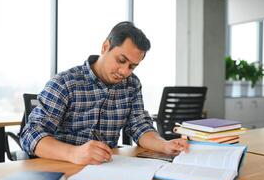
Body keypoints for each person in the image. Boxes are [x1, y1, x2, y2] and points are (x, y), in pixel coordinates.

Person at [20, 21, 189, 165]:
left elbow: (139, 126)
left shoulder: (132, 85)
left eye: (132, 66)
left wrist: (164, 145)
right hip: (63, 167)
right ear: (105, 46)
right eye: (121, 60)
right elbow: (30, 134)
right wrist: (74, 154)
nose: (124, 71)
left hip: (106, 169)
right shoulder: (65, 82)